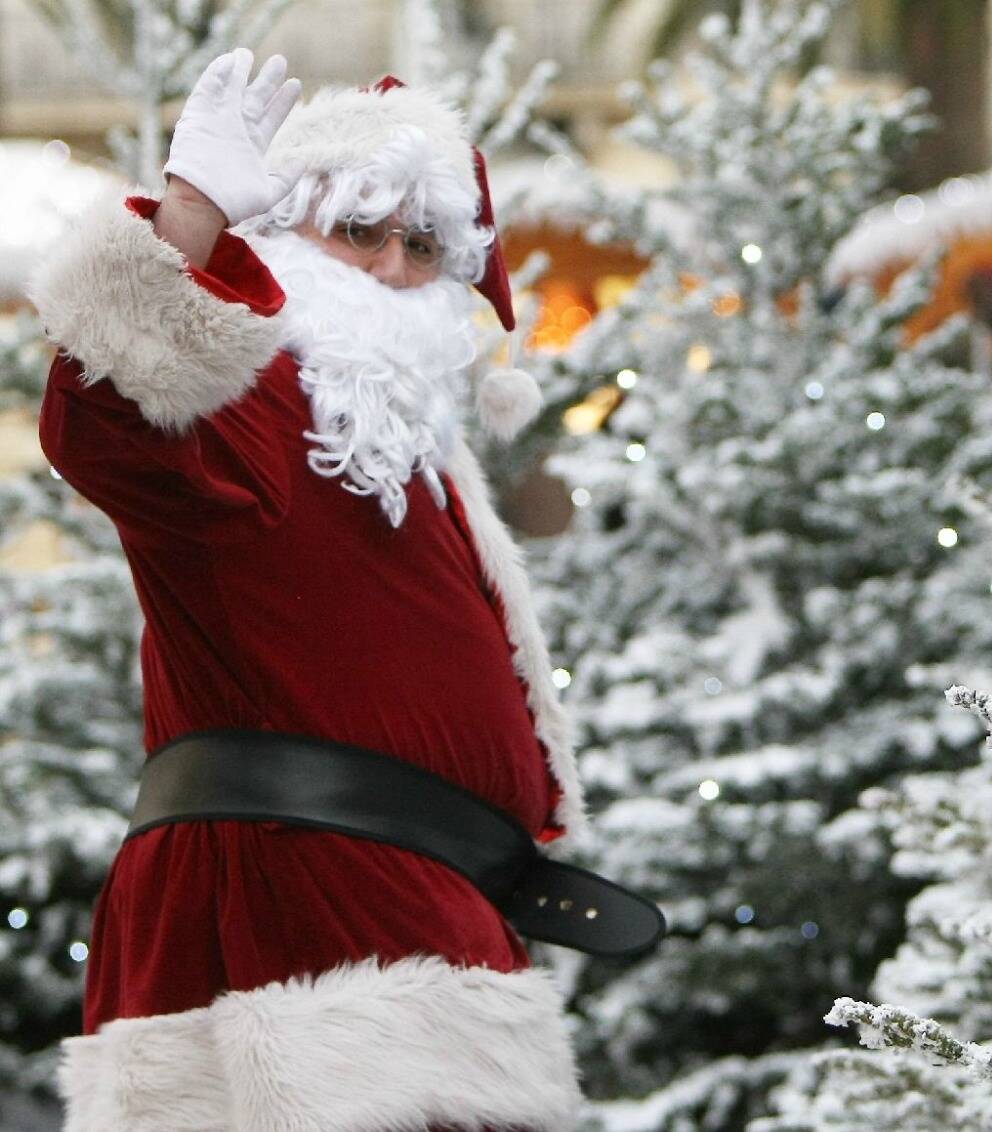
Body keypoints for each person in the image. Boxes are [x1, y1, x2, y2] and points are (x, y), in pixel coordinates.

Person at [29, 48, 591, 1131]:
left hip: (427, 922)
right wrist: (189, 222)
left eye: (422, 245)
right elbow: (102, 414)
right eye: (360, 230)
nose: (393, 267)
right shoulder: (248, 401)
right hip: (289, 926)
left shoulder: (420, 454)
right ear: (283, 241)